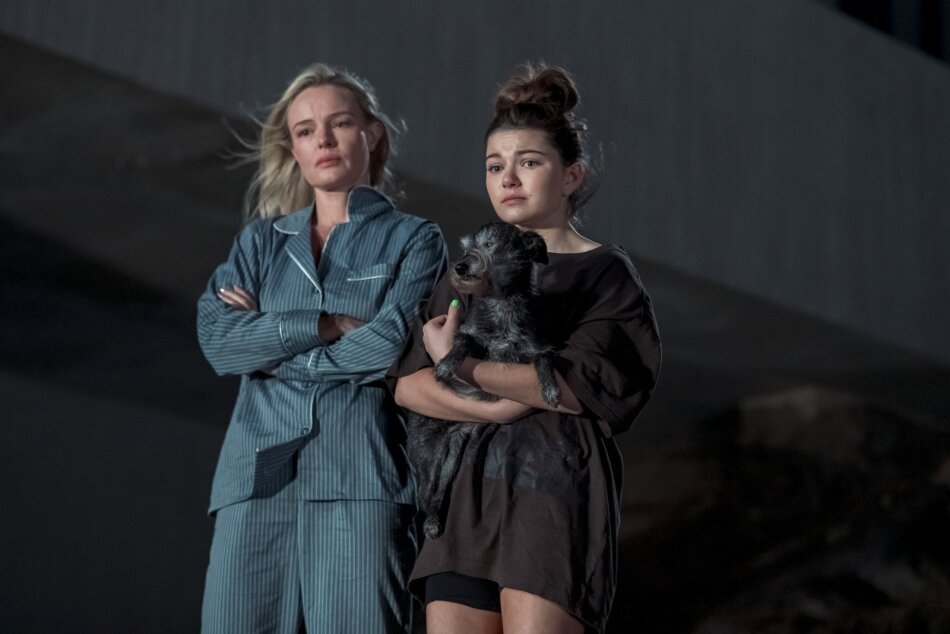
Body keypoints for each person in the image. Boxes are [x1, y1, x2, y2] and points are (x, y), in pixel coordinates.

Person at [390, 63, 662, 633]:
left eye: (529, 162)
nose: (508, 178)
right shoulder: (467, 271)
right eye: (495, 166)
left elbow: (577, 386)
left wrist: (460, 365)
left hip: (551, 494)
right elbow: (408, 386)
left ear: (571, 175)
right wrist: (497, 406)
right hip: (462, 499)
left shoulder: (605, 273)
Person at [196, 63, 447, 633]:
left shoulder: (413, 238)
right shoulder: (259, 243)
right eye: (306, 130)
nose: (324, 140)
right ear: (294, 149)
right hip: (254, 482)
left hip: (361, 479)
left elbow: (387, 346)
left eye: (339, 123)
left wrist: (271, 348)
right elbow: (219, 343)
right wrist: (327, 323)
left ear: (372, 133)